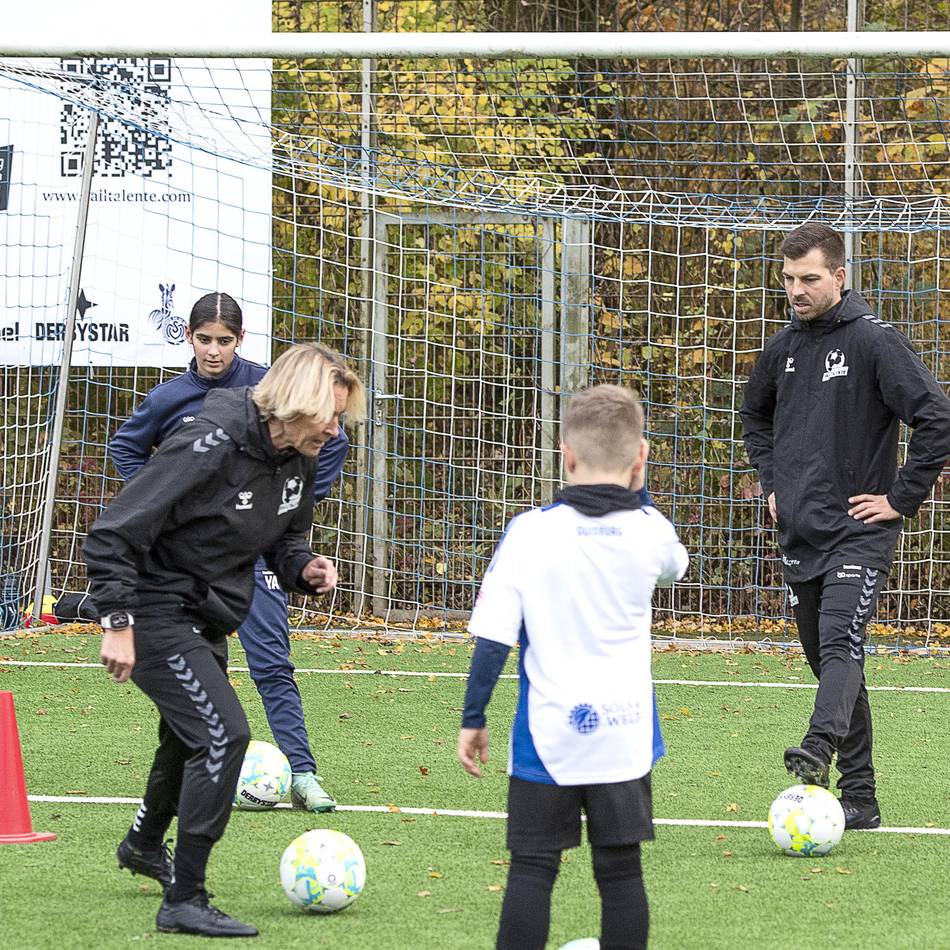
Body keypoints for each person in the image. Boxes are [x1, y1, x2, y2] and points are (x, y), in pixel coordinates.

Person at [84, 343, 366, 937]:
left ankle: (141, 845)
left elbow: (286, 541)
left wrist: (304, 568)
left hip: (208, 612)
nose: (336, 430)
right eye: (330, 416)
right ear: (296, 403)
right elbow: (114, 530)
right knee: (222, 734)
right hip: (153, 609)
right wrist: (116, 620)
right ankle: (185, 898)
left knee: (183, 738)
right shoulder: (206, 442)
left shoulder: (301, 457)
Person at [457, 385, 689, 950]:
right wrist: (640, 481)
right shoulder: (652, 533)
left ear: (565, 455)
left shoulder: (529, 533)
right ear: (640, 458)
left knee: (533, 870)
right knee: (621, 873)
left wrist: (474, 715)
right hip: (623, 734)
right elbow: (673, 565)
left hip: (548, 735)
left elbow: (493, 638)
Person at [741, 222, 950, 830]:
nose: (796, 290)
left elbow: (936, 419)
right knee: (835, 662)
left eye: (809, 279)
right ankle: (860, 797)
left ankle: (817, 750)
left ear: (839, 276)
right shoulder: (783, 349)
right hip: (801, 532)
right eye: (788, 279)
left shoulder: (874, 342)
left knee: (840, 644)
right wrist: (773, 482)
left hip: (860, 532)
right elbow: (754, 416)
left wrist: (900, 498)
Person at [109, 292, 346, 815]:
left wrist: (289, 506)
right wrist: (157, 500)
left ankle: (302, 770)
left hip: (256, 550)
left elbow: (332, 438)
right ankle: (155, 835)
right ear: (189, 339)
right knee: (194, 694)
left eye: (224, 341)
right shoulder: (171, 398)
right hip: (187, 566)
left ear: (241, 341)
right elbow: (126, 449)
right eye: (204, 340)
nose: (214, 351)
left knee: (270, 661)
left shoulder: (271, 388)